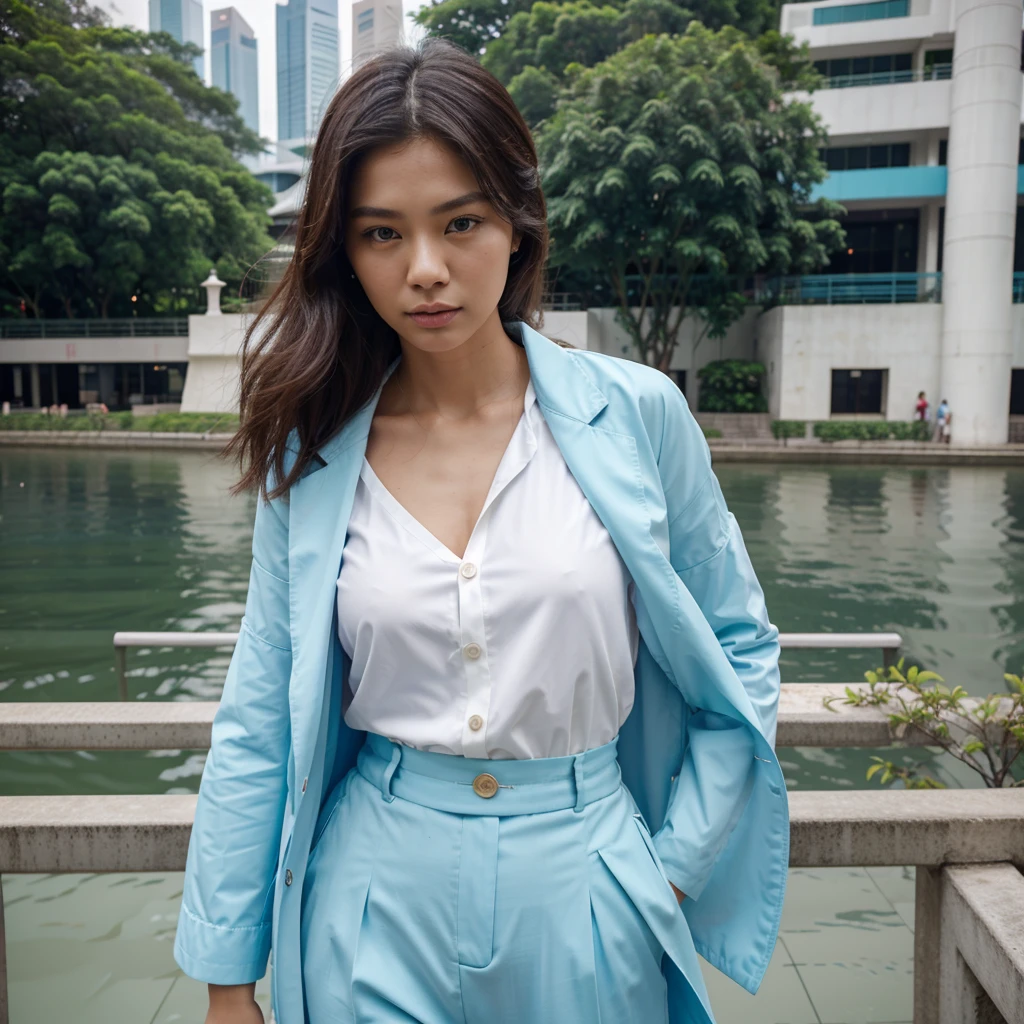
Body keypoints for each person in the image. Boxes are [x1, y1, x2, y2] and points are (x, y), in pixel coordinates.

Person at [174, 39, 785, 1024]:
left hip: (588, 882)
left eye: (459, 221)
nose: (425, 270)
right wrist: (226, 979)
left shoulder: (636, 416)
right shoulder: (315, 450)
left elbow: (740, 651)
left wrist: (666, 871)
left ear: (516, 219)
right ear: (345, 252)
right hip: (372, 892)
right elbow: (257, 720)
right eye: (381, 234)